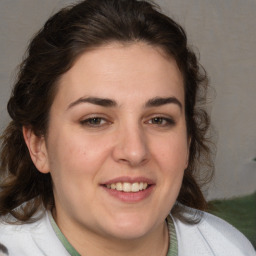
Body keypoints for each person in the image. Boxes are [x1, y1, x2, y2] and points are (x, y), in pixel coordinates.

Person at [0, 0, 255, 255]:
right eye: (95, 120)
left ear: (187, 142)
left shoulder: (229, 248)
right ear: (38, 145)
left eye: (158, 120)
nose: (134, 152)